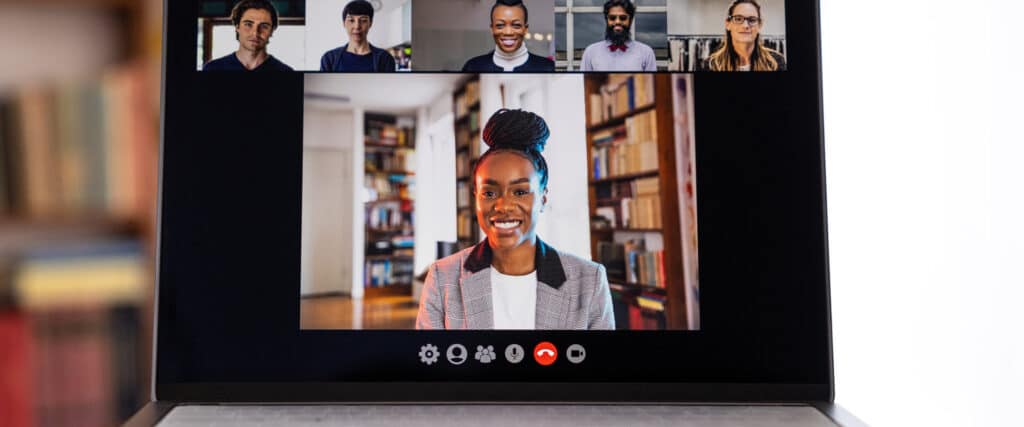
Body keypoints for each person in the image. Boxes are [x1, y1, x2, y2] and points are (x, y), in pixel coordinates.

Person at [416, 109, 614, 330]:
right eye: (489, 193)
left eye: (520, 192)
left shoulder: (589, 280)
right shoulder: (442, 277)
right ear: (476, 199)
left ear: (543, 198)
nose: (503, 206)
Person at [461, 0, 554, 72]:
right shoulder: (473, 67)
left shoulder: (547, 68)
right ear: (492, 29)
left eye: (516, 25)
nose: (508, 32)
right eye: (500, 25)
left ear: (525, 29)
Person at [203, 0, 294, 71]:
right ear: (237, 27)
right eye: (248, 24)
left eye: (264, 26)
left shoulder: (286, 72)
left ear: (272, 31)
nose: (255, 33)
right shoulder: (212, 69)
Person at [699, 0, 786, 71]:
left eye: (752, 20)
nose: (745, 25)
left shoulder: (776, 62)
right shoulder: (711, 65)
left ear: (760, 25)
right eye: (738, 19)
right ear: (728, 24)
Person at [579, 0, 657, 72]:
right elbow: (582, 82)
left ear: (630, 20)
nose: (617, 22)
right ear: (607, 20)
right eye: (612, 18)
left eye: (623, 18)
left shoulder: (646, 53)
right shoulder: (590, 52)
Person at [320, 0, 397, 72]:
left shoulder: (385, 58)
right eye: (351, 20)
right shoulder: (329, 59)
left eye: (363, 20)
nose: (357, 26)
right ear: (344, 23)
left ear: (370, 23)